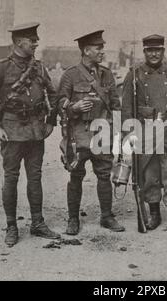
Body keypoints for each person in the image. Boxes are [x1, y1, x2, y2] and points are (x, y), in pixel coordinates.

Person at [0, 22, 61, 247]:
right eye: (32, 40)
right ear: (18, 42)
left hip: (36, 132)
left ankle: (38, 223)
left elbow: (53, 95)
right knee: (11, 179)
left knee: (35, 177)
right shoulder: (0, 68)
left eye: (36, 39)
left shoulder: (39, 67)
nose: (36, 43)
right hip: (11, 133)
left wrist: (51, 121)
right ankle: (12, 226)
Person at [58, 30, 125, 235]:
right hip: (78, 133)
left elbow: (115, 104)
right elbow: (59, 103)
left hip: (102, 132)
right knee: (76, 175)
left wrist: (119, 131)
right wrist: (74, 107)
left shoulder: (106, 74)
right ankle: (72, 219)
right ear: (86, 50)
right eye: (98, 48)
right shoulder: (71, 74)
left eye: (102, 47)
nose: (102, 51)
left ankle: (106, 216)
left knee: (104, 175)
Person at [122, 34, 167, 235]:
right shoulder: (134, 75)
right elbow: (126, 108)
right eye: (150, 50)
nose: (154, 54)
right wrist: (129, 133)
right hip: (145, 131)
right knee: (149, 175)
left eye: (158, 50)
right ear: (145, 52)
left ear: (163, 51)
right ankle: (155, 214)